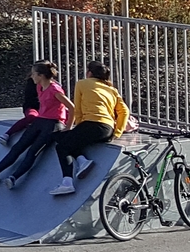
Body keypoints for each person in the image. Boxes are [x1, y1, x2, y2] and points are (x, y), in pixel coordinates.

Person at [0, 62, 71, 189]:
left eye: (33, 74)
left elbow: (71, 107)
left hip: (53, 124)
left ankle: (14, 177)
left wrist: (68, 126)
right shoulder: (39, 87)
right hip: (41, 120)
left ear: (41, 75)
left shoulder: (55, 90)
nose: (31, 77)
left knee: (33, 152)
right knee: (18, 146)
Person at [49, 59, 134, 197]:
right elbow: (124, 111)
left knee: (62, 146)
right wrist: (117, 132)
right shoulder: (111, 89)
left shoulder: (82, 83)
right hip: (107, 129)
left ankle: (67, 182)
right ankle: (82, 161)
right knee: (62, 137)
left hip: (91, 125)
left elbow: (77, 110)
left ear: (89, 73)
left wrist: (78, 126)